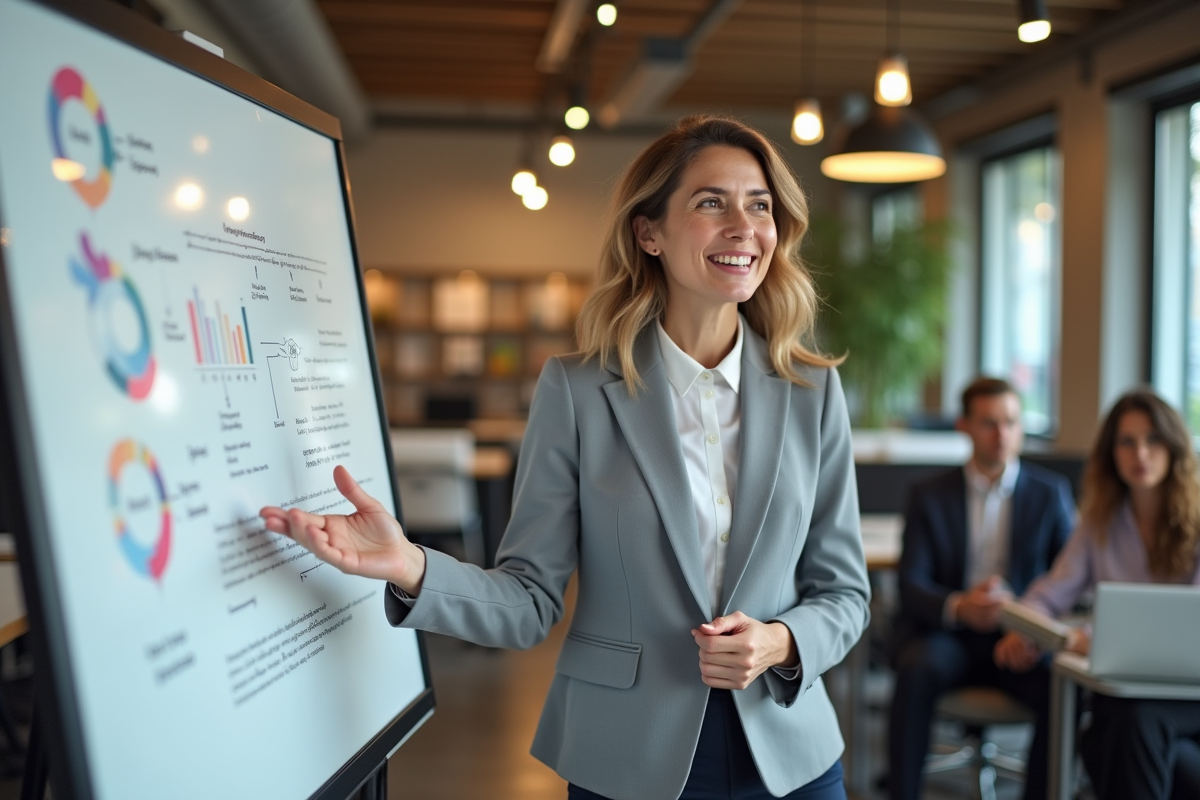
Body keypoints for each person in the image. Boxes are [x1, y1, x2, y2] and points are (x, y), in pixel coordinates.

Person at [260, 114, 870, 800]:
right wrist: (411, 565)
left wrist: (781, 642)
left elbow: (844, 592)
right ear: (649, 234)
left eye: (759, 205)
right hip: (627, 755)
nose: (744, 226)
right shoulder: (578, 391)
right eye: (711, 203)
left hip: (792, 757)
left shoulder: (813, 393)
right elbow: (528, 599)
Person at [994, 389, 1200, 800]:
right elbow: (1050, 594)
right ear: (1111, 452)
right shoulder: (1099, 523)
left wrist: (1095, 637)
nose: (1140, 453)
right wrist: (1028, 629)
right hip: (1117, 694)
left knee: (1132, 726)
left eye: (1153, 439)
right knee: (1116, 729)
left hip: (1187, 696)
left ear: (1173, 446)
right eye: (1127, 441)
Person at [888, 377, 1076, 800]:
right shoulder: (928, 494)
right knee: (917, 669)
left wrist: (1029, 623)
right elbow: (910, 584)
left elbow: (1070, 582)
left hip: (1017, 639)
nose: (1002, 434)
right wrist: (959, 606)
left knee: (1061, 688)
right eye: (989, 423)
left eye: (1011, 422)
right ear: (964, 427)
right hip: (948, 635)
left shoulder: (1050, 495)